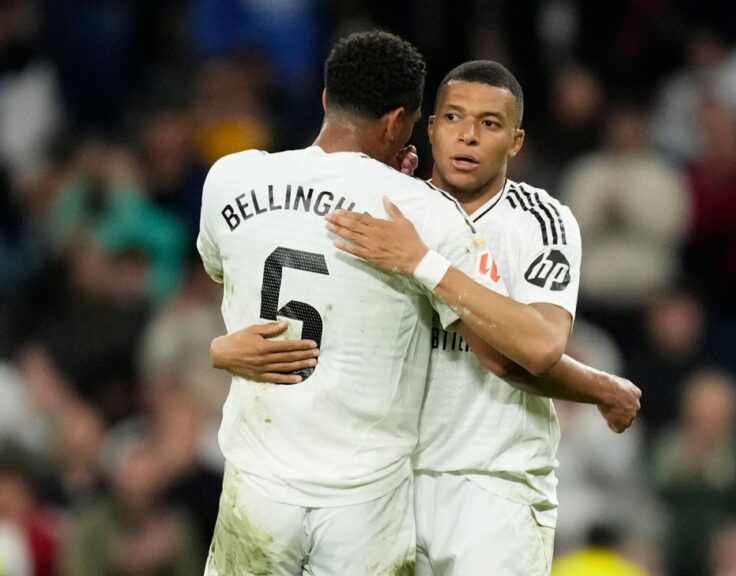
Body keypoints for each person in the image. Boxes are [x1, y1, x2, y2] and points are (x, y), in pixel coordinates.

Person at [213, 60, 642, 575]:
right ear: (430, 128)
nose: (468, 135)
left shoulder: (539, 221)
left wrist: (423, 262)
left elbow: (538, 346)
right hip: (390, 484)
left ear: (516, 142)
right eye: (454, 118)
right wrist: (221, 349)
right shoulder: (387, 206)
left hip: (492, 483)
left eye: (490, 123)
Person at [196, 31, 504, 574]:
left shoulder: (230, 176)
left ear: (325, 99)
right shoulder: (423, 215)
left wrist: (220, 350)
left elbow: (224, 272)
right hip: (365, 500)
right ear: (397, 122)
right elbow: (494, 342)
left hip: (259, 483)